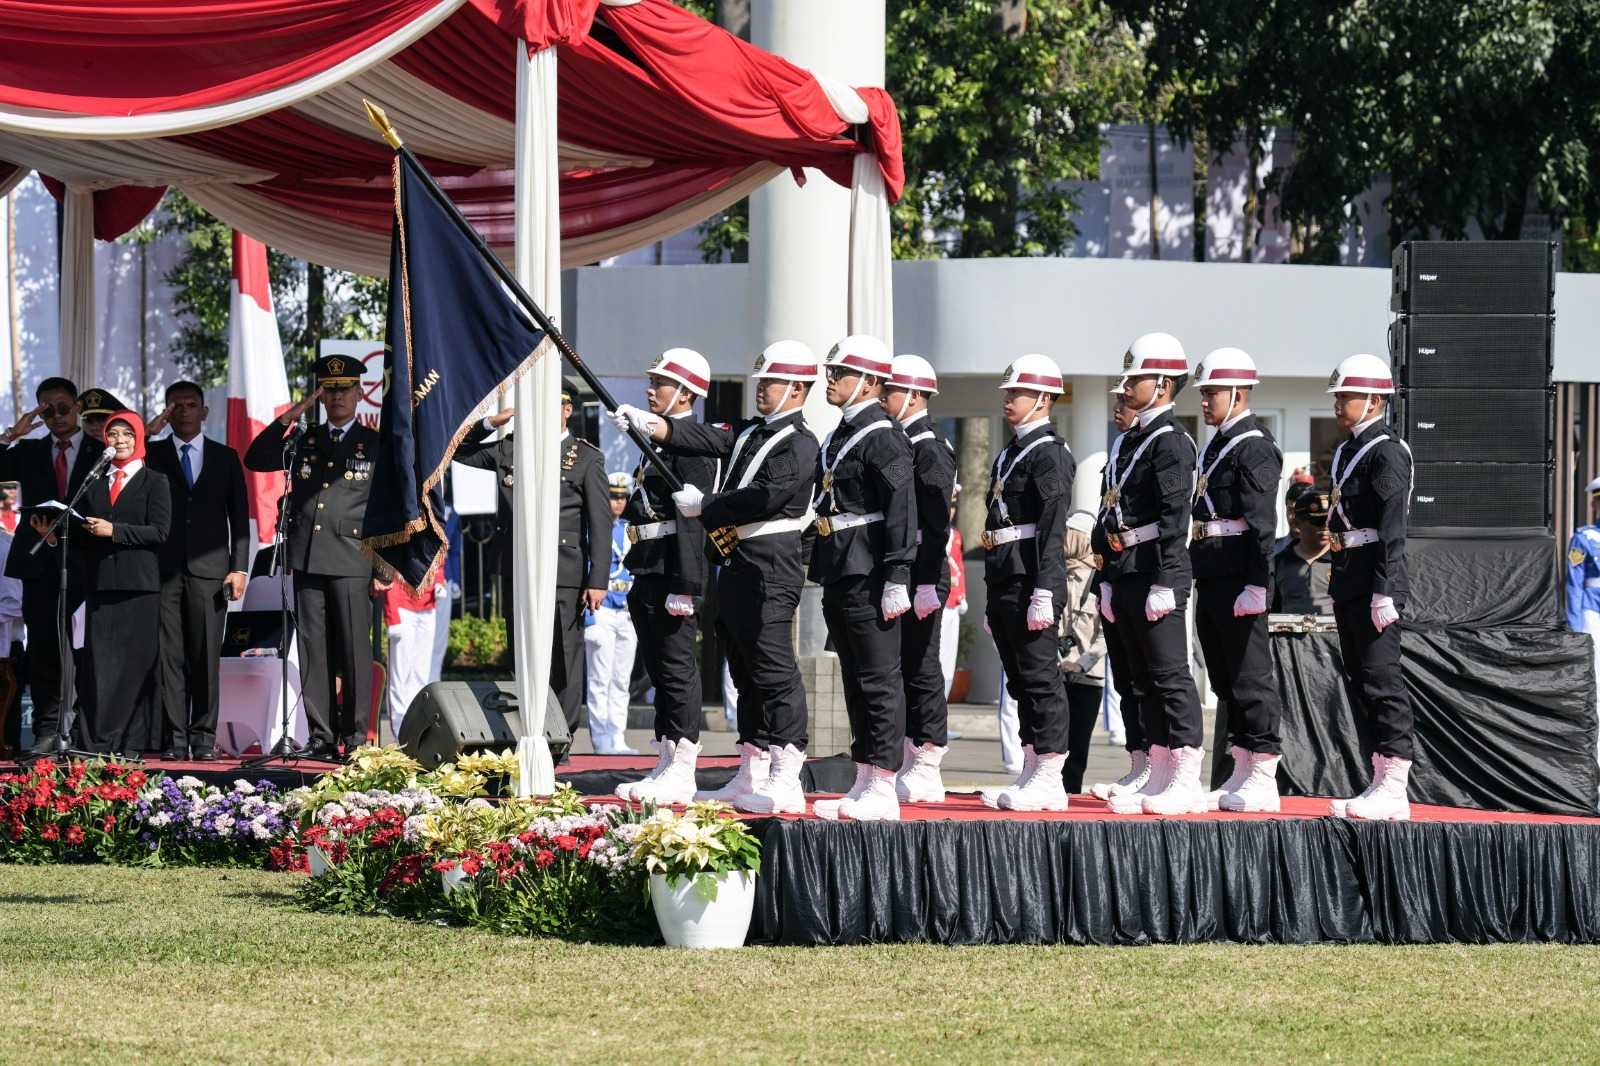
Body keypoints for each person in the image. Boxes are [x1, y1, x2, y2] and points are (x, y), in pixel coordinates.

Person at [614, 340, 820, 814]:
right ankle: (750, 767)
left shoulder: (799, 443)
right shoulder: (751, 431)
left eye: (770, 383)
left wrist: (706, 506)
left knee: (773, 667)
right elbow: (705, 438)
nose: (761, 391)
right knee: (744, 668)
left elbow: (766, 496)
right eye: (761, 383)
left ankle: (787, 771)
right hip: (738, 557)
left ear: (795, 389)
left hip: (772, 558)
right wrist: (654, 426)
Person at [245, 356, 390, 759]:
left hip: (353, 557)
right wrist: (297, 411)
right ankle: (323, 736)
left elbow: (387, 507)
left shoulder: (375, 443)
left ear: (360, 393)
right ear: (321, 394)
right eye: (330, 389)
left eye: (345, 389)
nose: (338, 396)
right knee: (314, 650)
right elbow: (256, 458)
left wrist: (383, 565)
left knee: (354, 651)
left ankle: (358, 737)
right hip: (307, 556)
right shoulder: (304, 438)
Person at [800, 335, 916, 821]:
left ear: (869, 382)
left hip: (870, 568)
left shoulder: (883, 436)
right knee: (854, 678)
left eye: (839, 373)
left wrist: (899, 574)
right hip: (840, 566)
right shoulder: (841, 434)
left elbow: (900, 511)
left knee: (879, 679)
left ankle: (884, 782)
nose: (830, 380)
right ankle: (865, 774)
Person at [1092, 332, 1205, 816]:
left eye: (1135, 378)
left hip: (1157, 569)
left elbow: (1175, 520)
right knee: (1139, 678)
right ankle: (1158, 770)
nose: (1126, 386)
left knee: (1168, 675)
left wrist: (1166, 581)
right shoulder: (1133, 439)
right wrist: (1110, 577)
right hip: (1128, 567)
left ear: (1161, 384)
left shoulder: (1171, 442)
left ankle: (1185, 774)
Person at [456, 380, 609, 732]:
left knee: (564, 655)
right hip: (519, 567)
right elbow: (456, 451)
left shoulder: (586, 457)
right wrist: (490, 423)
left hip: (564, 570)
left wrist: (597, 578)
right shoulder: (511, 449)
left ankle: (562, 733)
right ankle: (531, 727)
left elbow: (599, 524)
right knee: (522, 652)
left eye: (549, 406)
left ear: (567, 410)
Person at [614, 348, 719, 804]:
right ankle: (665, 753)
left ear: (686, 392)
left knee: (677, 670)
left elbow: (691, 520)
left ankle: (683, 764)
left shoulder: (693, 442)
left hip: (672, 569)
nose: (650, 388)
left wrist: (687, 583)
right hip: (648, 564)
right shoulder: (660, 443)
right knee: (659, 668)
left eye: (660, 382)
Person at [1189, 349, 1286, 813]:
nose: (1205, 402)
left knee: (1250, 678)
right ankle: (1241, 769)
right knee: (1226, 679)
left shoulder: (1253, 445)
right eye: (1203, 393)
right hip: (1212, 570)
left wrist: (1257, 584)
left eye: (1211, 393)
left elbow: (1261, 525)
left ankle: (1263, 771)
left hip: (1239, 575)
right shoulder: (1219, 443)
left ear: (1236, 394)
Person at [981, 353, 1077, 812]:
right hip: (1006, 576)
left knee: (1040, 680)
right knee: (1020, 683)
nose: (1008, 399)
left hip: (1032, 579)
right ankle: (1032, 764)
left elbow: (1052, 528)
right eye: (1007, 391)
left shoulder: (1049, 455)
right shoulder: (1009, 453)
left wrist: (1045, 588)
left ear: (1043, 399)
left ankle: (1050, 773)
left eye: (1016, 392)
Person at [44, 412, 170, 754]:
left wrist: (114, 531)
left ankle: (132, 742)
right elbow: (84, 535)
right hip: (100, 585)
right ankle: (97, 739)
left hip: (139, 586)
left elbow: (160, 532)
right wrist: (57, 538)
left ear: (139, 437)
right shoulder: (94, 483)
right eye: (112, 434)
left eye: (127, 433)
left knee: (134, 665)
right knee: (101, 664)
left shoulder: (154, 481)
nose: (119, 440)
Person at [1325, 353, 1416, 821]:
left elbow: (1392, 528)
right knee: (1361, 678)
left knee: (1382, 679)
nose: (1340, 403)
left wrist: (1385, 589)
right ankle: (1377, 775)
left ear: (1375, 400)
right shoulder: (1345, 451)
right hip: (1348, 573)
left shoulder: (1387, 451)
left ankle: (1395, 783)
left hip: (1375, 578)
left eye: (1348, 396)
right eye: (1338, 396)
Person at [145, 379, 250, 760]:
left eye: (191, 405)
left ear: (205, 412)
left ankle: (203, 737)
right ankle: (175, 739)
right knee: (169, 658)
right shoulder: (151, 455)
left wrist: (240, 568)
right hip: (163, 571)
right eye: (176, 406)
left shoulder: (225, 457)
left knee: (206, 658)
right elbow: (118, 459)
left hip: (210, 573)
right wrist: (150, 429)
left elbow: (240, 518)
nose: (184, 411)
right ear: (167, 411)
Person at [0, 377, 102, 754]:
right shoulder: (28, 450)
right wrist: (13, 432)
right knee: (44, 648)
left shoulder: (100, 448)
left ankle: (81, 728)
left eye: (63, 407)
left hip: (88, 561)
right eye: (48, 410)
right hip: (40, 559)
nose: (58, 416)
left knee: (86, 649)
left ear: (77, 406)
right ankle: (46, 728)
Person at [880, 354, 957, 804]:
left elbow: (934, 524)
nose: (885, 397)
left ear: (913, 395)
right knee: (904, 667)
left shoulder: (929, 447)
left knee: (923, 667)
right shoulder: (899, 441)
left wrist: (927, 580)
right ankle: (909, 751)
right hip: (904, 570)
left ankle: (927, 756)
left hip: (922, 572)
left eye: (891, 391)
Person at [1090, 383, 1150, 800]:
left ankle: (1157, 761)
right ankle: (1138, 762)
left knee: (1150, 677)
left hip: (1145, 572)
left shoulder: (1151, 447)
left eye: (1125, 401)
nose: (1117, 407)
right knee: (1125, 680)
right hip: (1115, 569)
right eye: (1115, 401)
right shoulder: (1120, 450)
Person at [584, 472, 638, 755]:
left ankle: (617, 735)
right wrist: (589, 618)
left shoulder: (631, 529)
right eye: (613, 496)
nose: (617, 503)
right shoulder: (595, 528)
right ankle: (601, 737)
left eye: (622, 497)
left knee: (621, 679)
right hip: (602, 610)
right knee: (599, 678)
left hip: (627, 611)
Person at [1058, 510, 1106, 794]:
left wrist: (1082, 663)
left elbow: (1105, 635)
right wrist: (1058, 661)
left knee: (1077, 752)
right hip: (1056, 675)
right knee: (1052, 746)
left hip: (1088, 678)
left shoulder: (1100, 581)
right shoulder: (1053, 576)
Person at [383, 561, 442, 739]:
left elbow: (439, 555)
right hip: (402, 606)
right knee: (400, 674)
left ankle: (418, 726)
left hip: (427, 606)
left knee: (421, 673)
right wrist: (393, 616)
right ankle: (400, 729)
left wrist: (439, 580)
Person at [1274, 490, 1333, 614]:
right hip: (1287, 633)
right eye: (1318, 522)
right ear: (1297, 523)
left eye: (1329, 521)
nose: (1325, 527)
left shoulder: (1343, 562)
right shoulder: (1278, 563)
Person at [940, 490, 967, 699]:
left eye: (953, 507)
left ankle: (944, 704)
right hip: (936, 599)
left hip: (953, 600)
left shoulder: (956, 535)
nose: (950, 511)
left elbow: (959, 566)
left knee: (950, 655)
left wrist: (962, 594)